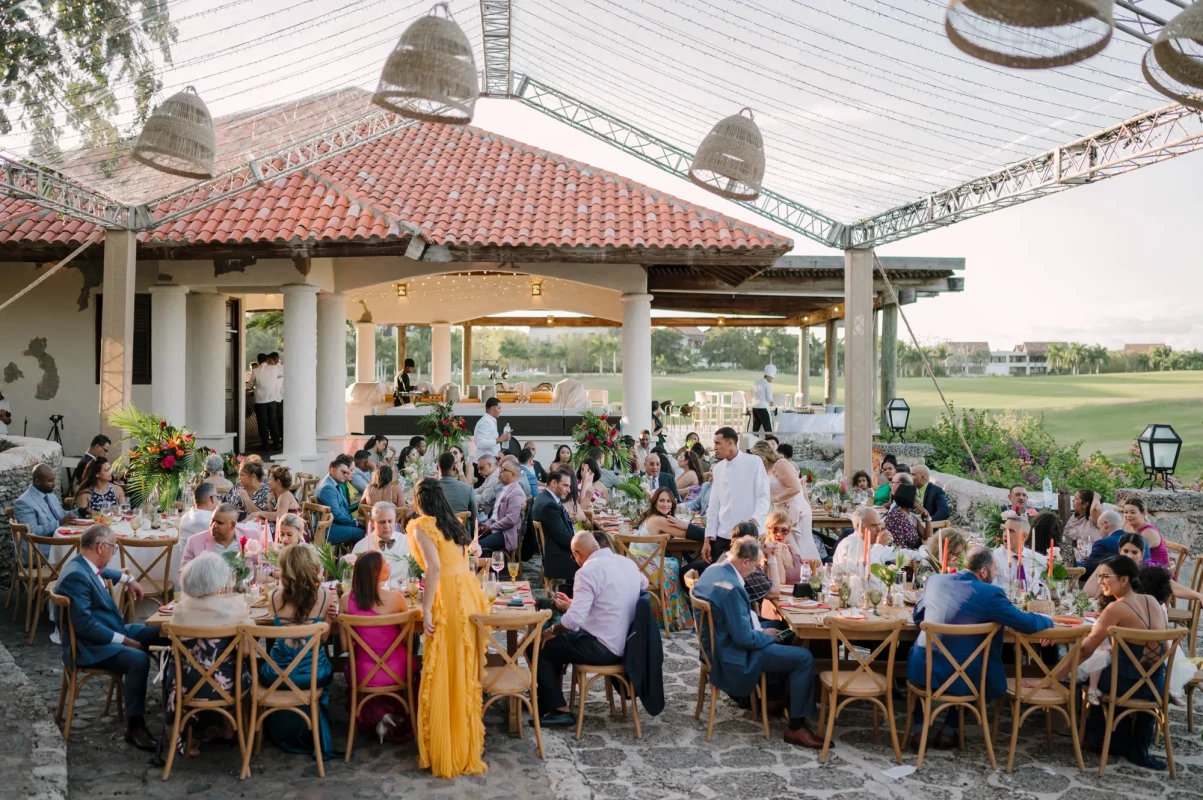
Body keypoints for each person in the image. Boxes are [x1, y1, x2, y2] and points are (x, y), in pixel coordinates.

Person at [907, 546, 1052, 749]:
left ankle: (919, 729)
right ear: (983, 571)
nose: (997, 573)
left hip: (923, 667)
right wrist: (1047, 620)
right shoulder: (991, 594)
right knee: (979, 667)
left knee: (942, 658)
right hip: (965, 675)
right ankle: (948, 730)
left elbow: (918, 617)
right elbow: (1026, 623)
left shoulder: (935, 581)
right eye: (995, 569)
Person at [692, 534, 822, 747]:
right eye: (754, 567)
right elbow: (744, 638)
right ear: (745, 561)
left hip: (716, 644)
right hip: (733, 655)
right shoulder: (733, 588)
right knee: (803, 657)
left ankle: (775, 698)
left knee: (782, 630)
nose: (754, 572)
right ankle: (796, 727)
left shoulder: (713, 570)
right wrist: (765, 635)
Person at [405, 477, 489, 777]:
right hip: (467, 592)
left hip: (449, 597)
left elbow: (434, 568)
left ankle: (449, 744)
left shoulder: (421, 526)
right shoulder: (453, 522)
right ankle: (462, 739)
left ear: (417, 501)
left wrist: (425, 609)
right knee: (461, 667)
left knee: (445, 665)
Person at [54, 524, 160, 751]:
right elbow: (86, 627)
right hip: (88, 646)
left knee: (159, 633)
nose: (114, 553)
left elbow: (103, 573)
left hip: (108, 629)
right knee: (138, 660)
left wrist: (127, 579)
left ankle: (174, 691)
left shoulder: (83, 565)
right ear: (101, 546)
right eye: (113, 548)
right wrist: (125, 641)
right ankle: (135, 727)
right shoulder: (76, 576)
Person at [539, 531, 648, 726]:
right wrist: (574, 603)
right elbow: (642, 585)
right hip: (628, 644)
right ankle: (547, 700)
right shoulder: (627, 563)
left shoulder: (587, 572)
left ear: (578, 554)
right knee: (555, 645)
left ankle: (558, 709)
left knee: (540, 644)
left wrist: (552, 630)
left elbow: (573, 621)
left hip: (602, 647)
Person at [1077, 556, 1171, 770]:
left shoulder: (1117, 609)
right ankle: (1136, 747)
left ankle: (1101, 740)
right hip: (1155, 687)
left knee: (1084, 677)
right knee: (1118, 669)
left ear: (1125, 580)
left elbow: (1087, 649)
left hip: (1126, 686)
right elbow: (1165, 650)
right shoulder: (1153, 603)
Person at [159, 552, 250, 758]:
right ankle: (231, 728)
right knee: (240, 666)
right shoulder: (235, 607)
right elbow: (245, 652)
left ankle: (186, 731)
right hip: (227, 685)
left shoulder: (180, 609)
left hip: (185, 684)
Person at [260, 545, 337, 761]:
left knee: (263, 668)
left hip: (276, 674)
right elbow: (323, 638)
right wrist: (329, 617)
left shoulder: (274, 596)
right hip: (312, 674)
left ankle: (282, 727)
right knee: (326, 669)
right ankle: (312, 724)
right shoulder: (325, 596)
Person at [339, 550, 414, 744]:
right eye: (385, 565)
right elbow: (408, 641)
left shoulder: (346, 600)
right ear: (375, 573)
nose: (388, 566)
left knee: (353, 665)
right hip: (397, 671)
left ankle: (376, 716)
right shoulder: (396, 599)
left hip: (364, 673)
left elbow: (345, 646)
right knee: (414, 665)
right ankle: (397, 713)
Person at [696, 427, 770, 573]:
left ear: (730, 443)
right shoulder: (717, 468)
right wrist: (707, 539)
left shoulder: (754, 462)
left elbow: (764, 497)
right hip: (723, 536)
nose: (714, 447)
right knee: (720, 581)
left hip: (749, 536)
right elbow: (714, 506)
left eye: (718, 443)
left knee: (750, 582)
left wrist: (754, 521)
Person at [750, 440, 819, 562]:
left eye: (757, 457)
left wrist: (774, 499)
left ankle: (807, 571)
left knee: (800, 543)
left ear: (764, 454)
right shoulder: (765, 470)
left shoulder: (780, 464)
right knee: (787, 544)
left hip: (796, 509)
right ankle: (790, 571)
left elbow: (796, 488)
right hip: (781, 511)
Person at [14, 464, 76, 552]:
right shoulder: (24, 502)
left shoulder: (49, 494)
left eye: (54, 480)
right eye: (50, 481)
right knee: (78, 548)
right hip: (37, 548)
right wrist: (59, 523)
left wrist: (81, 512)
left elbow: (61, 515)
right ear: (37, 482)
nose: (54, 484)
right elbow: (30, 532)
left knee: (87, 542)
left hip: (56, 541)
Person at [534, 470, 578, 587]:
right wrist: (583, 546)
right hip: (558, 557)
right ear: (554, 483)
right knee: (593, 562)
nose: (568, 490)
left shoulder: (543, 497)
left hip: (555, 551)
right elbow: (563, 538)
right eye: (565, 485)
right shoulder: (549, 505)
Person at [478, 456, 524, 557]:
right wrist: (487, 524)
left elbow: (510, 520)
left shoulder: (516, 493)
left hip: (506, 533)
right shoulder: (504, 489)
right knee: (469, 539)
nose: (499, 472)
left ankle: (489, 571)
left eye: (503, 470)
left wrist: (491, 527)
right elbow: (494, 516)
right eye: (500, 469)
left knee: (481, 546)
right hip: (496, 527)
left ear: (512, 474)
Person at [315, 456, 366, 545]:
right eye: (343, 472)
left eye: (346, 473)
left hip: (336, 525)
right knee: (366, 534)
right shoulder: (328, 488)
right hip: (328, 529)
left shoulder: (333, 483)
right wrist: (355, 523)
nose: (346, 475)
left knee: (368, 528)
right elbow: (337, 514)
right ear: (332, 470)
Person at [1084, 509, 1147, 581]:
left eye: (1099, 528)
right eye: (1125, 551)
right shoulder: (1142, 540)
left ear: (1105, 524)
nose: (1129, 556)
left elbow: (1087, 573)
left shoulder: (1102, 543)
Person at [990, 511, 1047, 591]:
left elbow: (1045, 588)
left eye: (1011, 531)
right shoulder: (993, 558)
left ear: (1024, 536)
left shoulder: (1038, 559)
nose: (1005, 534)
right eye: (1004, 530)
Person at [179, 503, 241, 574]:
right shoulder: (194, 542)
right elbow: (182, 574)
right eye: (212, 520)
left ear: (232, 525)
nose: (213, 525)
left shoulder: (250, 537)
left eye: (219, 523)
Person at [832, 505, 897, 573]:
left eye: (879, 524)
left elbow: (896, 554)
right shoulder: (849, 546)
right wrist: (879, 546)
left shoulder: (871, 543)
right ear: (858, 526)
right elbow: (863, 573)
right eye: (874, 525)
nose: (879, 529)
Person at [881, 483, 931, 551]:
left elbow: (928, 537)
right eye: (917, 496)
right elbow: (900, 547)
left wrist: (927, 517)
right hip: (901, 557)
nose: (919, 499)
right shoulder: (895, 517)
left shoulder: (912, 517)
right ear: (909, 497)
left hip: (914, 554)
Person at [1122, 496, 1169, 568]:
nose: (1128, 515)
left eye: (1133, 512)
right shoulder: (1132, 528)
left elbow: (1135, 553)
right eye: (1126, 512)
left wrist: (1130, 534)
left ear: (1143, 513)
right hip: (1141, 567)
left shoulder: (1149, 532)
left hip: (1157, 573)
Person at [251, 351, 283, 450]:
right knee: (273, 422)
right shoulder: (275, 369)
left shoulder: (256, 371)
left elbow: (250, 384)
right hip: (272, 400)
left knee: (262, 423)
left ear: (258, 361)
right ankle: (277, 443)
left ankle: (265, 444)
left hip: (260, 401)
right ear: (267, 360)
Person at [436, 452, 477, 522]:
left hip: (435, 531)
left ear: (437, 467)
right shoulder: (468, 489)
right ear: (454, 468)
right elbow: (474, 518)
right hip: (460, 531)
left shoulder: (429, 489)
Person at [1064, 489, 1103, 561]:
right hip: (1072, 557)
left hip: (1091, 559)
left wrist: (1096, 497)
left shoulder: (1093, 519)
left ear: (1085, 504)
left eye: (1076, 499)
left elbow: (1095, 508)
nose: (1073, 501)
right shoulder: (1075, 517)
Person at [750, 364, 776, 433]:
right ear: (768, 376)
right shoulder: (767, 384)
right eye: (771, 378)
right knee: (768, 429)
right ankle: (770, 442)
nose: (772, 379)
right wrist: (772, 403)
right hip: (763, 408)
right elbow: (769, 398)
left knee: (755, 429)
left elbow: (752, 394)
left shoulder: (756, 383)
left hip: (754, 407)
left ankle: (754, 442)